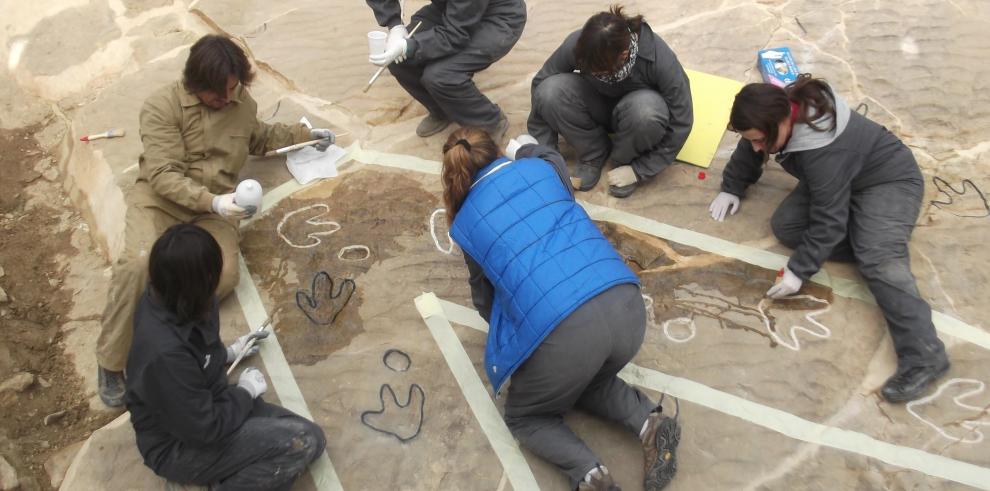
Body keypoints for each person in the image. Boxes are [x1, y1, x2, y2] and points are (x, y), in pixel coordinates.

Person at [96, 34, 336, 406]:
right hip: (162, 202)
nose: (228, 99)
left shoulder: (239, 100)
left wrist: (305, 137)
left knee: (222, 277)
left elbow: (259, 138)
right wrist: (214, 202)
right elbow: (162, 175)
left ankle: (166, 320)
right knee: (138, 264)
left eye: (233, 89)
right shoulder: (161, 107)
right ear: (196, 85)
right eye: (218, 94)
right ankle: (111, 361)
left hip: (218, 206)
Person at [443, 128, 682, 491]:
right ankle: (650, 422)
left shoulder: (465, 224)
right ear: (495, 150)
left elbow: (485, 301)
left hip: (565, 334)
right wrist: (528, 147)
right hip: (626, 305)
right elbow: (547, 154)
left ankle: (589, 475)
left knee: (526, 416)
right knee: (584, 378)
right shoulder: (543, 168)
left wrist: (523, 341)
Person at [708, 74, 950, 402]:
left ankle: (925, 355)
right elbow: (752, 143)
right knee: (787, 228)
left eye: (760, 140)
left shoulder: (823, 152)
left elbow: (828, 221)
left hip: (888, 181)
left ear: (781, 122)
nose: (756, 147)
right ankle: (869, 236)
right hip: (838, 180)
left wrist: (799, 270)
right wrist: (732, 185)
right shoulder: (778, 111)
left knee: (878, 258)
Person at [125, 223, 326, 489]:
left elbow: (198, 349)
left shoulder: (186, 299)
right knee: (301, 443)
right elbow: (205, 429)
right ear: (194, 284)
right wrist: (244, 392)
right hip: (179, 446)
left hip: (210, 403)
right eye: (210, 277)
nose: (217, 281)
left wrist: (228, 353)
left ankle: (224, 470)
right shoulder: (164, 354)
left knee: (311, 436)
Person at [527, 5, 693, 198]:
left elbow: (681, 122)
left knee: (647, 111)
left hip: (636, 117)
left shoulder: (659, 59)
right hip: (596, 105)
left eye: (599, 71)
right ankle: (593, 152)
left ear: (623, 55)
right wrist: (546, 155)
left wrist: (640, 169)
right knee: (549, 91)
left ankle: (624, 160)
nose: (593, 72)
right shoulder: (580, 45)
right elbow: (540, 86)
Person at [365, 0, 525, 142]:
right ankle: (442, 110)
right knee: (398, 60)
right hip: (450, 9)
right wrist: (394, 25)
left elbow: (455, 34)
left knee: (441, 76)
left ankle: (489, 122)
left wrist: (410, 46)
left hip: (498, 17)